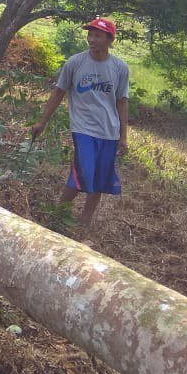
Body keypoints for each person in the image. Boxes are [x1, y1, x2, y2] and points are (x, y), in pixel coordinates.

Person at [31, 17, 130, 231]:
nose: (92, 39)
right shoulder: (75, 63)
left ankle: (85, 221)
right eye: (90, 34)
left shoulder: (120, 68)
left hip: (109, 132)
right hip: (83, 128)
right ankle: (58, 214)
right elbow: (59, 92)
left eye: (97, 35)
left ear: (110, 40)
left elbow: (122, 102)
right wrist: (42, 121)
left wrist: (123, 137)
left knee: (100, 178)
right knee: (83, 172)